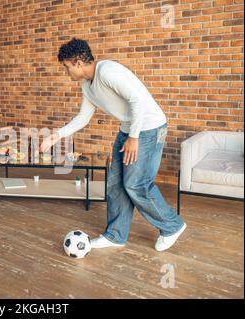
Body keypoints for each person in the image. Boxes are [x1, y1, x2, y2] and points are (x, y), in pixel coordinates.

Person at [41, 38, 186, 252]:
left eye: (67, 67)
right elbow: (83, 117)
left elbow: (137, 100)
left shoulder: (107, 71)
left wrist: (134, 137)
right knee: (116, 185)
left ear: (78, 62)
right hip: (129, 130)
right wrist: (58, 135)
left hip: (149, 128)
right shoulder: (87, 85)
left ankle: (172, 226)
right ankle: (115, 235)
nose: (67, 72)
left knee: (136, 184)